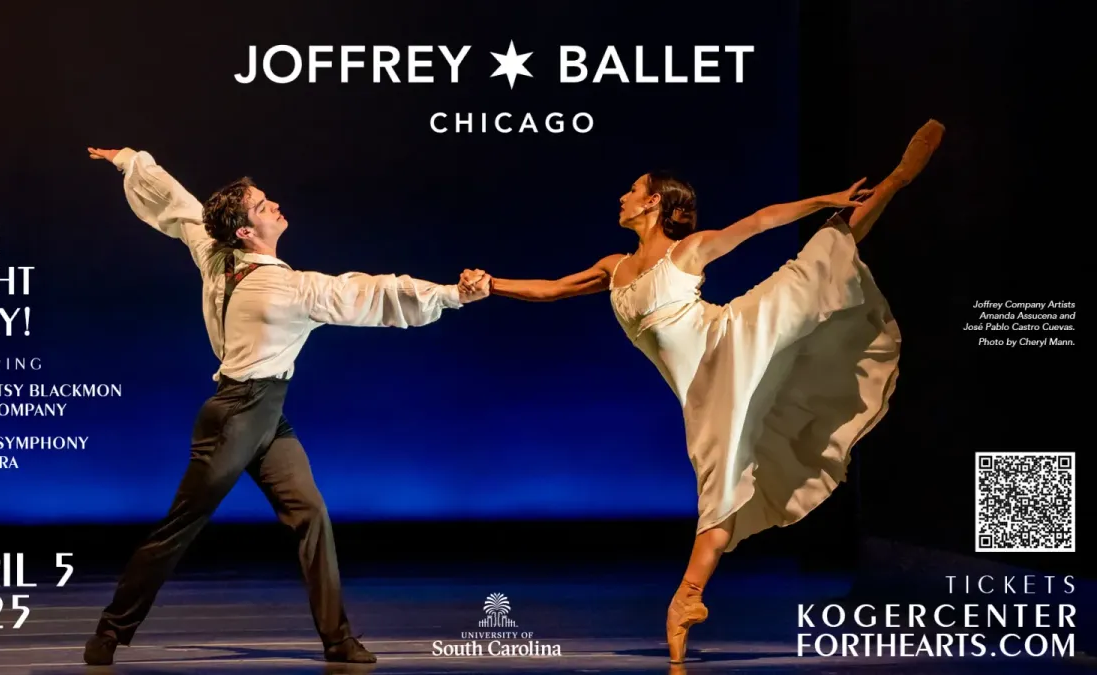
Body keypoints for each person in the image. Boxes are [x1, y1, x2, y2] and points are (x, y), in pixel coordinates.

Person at [467, 120, 944, 662]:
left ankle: (895, 180)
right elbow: (553, 289)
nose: (623, 197)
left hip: (732, 338)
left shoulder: (686, 252)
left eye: (632, 189)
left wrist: (824, 201)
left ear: (654, 202)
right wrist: (492, 285)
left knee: (818, 261)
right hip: (702, 388)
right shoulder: (613, 268)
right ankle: (688, 600)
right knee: (721, 484)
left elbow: (759, 221)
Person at [82, 146, 490, 666]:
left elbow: (181, 208)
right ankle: (110, 631)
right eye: (261, 206)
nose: (273, 205)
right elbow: (366, 294)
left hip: (265, 416)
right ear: (245, 232)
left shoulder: (216, 254)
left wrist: (131, 162)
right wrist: (453, 294)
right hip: (235, 419)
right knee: (182, 525)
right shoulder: (286, 289)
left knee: (310, 514)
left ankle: (337, 638)